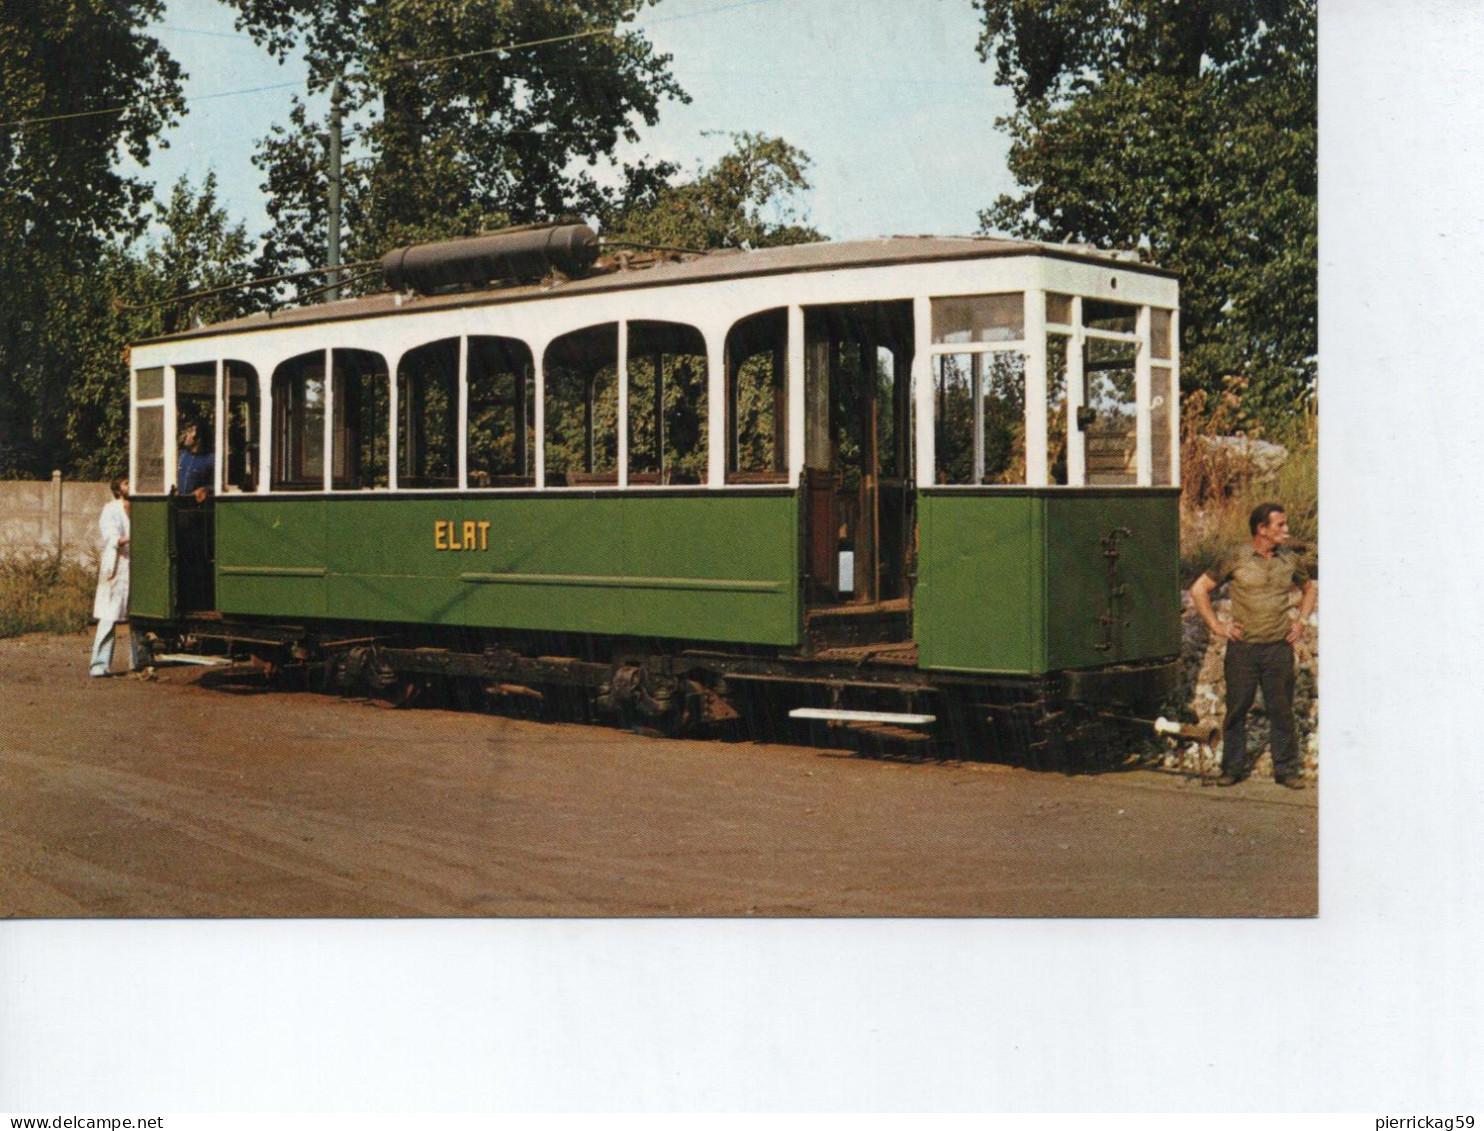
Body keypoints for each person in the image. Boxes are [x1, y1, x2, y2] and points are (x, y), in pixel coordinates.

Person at [1189, 501, 1318, 789]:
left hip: (1278, 648)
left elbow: (1309, 588)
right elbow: (1199, 589)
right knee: (1237, 709)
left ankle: (1286, 770)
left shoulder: (1289, 560)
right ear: (1261, 528)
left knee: (1282, 709)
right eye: (1280, 525)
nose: (1286, 530)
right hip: (1243, 649)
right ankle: (1232, 768)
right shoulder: (1235, 557)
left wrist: (1301, 622)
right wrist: (1216, 625)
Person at [89, 477, 141, 677]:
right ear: (118, 489)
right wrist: (139, 536)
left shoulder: (140, 508)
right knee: (109, 617)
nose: (131, 485)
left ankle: (138, 662)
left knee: (138, 616)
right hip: (117, 567)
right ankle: (99, 665)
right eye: (127, 483)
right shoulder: (110, 509)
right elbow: (112, 537)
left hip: (137, 567)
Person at [177, 418, 214, 503]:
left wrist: (205, 489)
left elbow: (218, 485)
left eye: (190, 432)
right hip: (177, 505)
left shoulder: (210, 459)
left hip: (196, 507)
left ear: (199, 438)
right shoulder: (181, 456)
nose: (186, 435)